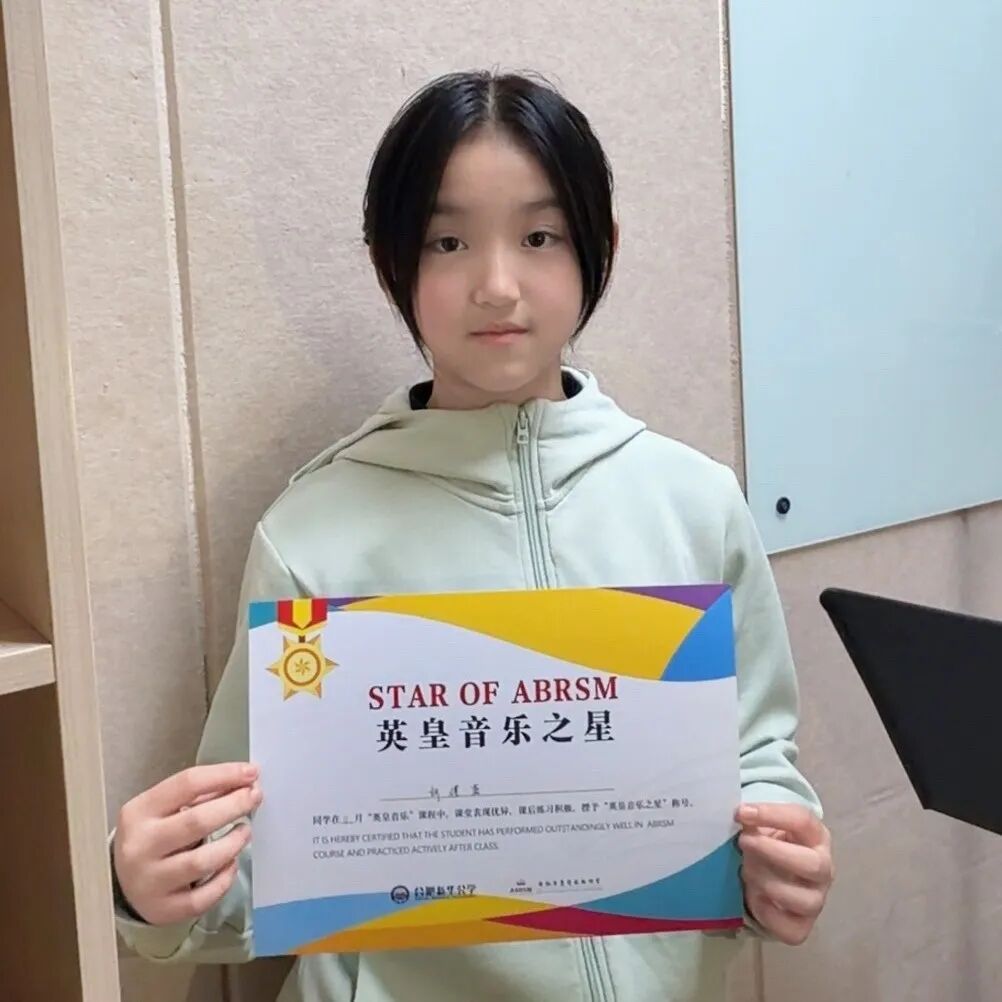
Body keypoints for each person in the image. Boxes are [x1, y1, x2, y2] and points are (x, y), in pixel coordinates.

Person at [111, 70, 833, 1002]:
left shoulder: (697, 502)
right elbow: (260, 855)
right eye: (447, 242)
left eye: (540, 237)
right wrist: (152, 891)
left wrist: (781, 849)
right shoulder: (313, 535)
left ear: (598, 247)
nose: (497, 286)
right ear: (392, 263)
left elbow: (757, 757)